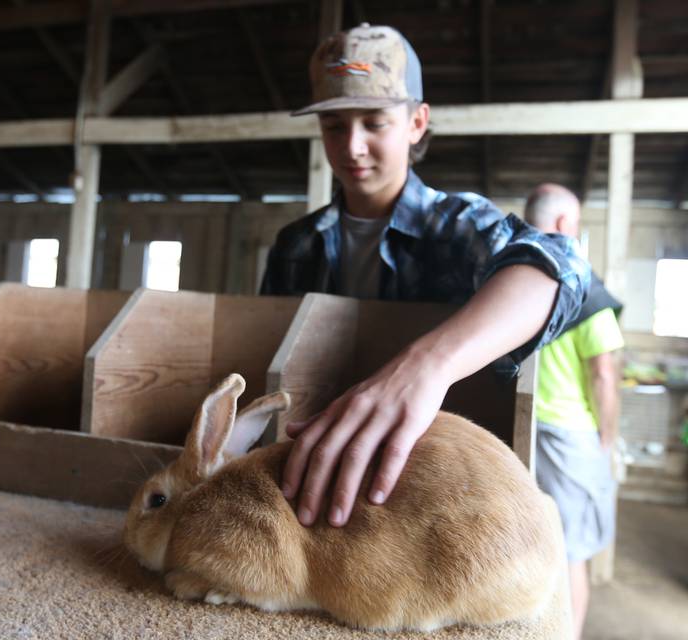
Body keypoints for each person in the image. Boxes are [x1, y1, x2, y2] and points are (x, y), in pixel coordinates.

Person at [260, 24, 590, 530]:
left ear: (417, 122)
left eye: (374, 122)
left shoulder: (460, 226)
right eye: (334, 127)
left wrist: (426, 365)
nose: (352, 147)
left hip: (432, 492)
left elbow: (562, 266)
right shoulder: (295, 244)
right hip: (311, 473)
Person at [524, 183, 624, 640]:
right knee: (571, 553)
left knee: (531, 544)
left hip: (519, 429)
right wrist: (608, 437)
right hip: (569, 434)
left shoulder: (512, 275)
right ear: (566, 224)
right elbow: (603, 374)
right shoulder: (586, 286)